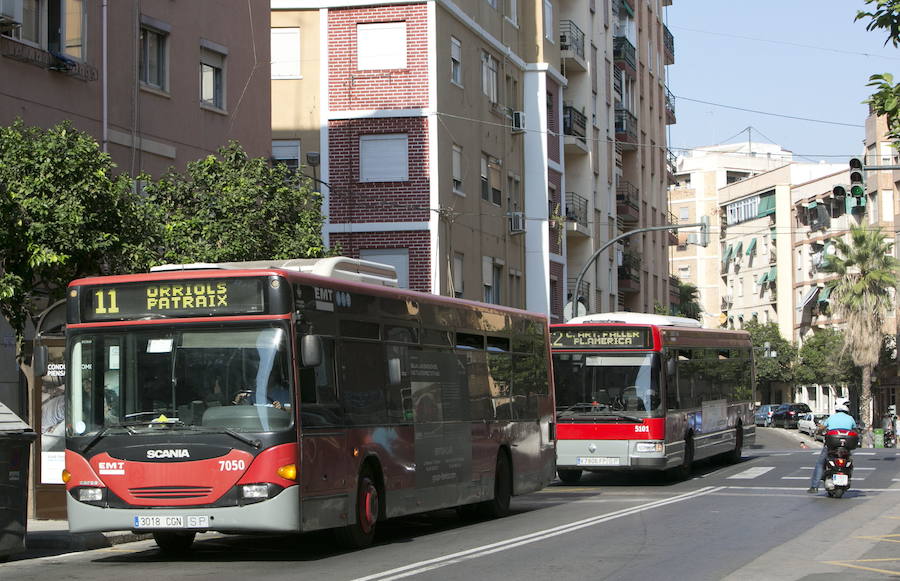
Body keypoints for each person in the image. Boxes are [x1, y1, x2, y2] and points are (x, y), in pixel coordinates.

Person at [807, 403, 857, 493]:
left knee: (820, 463)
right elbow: (855, 429)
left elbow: (822, 427)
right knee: (850, 462)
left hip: (831, 446)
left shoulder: (831, 418)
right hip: (846, 448)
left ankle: (814, 486)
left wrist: (818, 431)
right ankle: (848, 477)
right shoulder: (850, 418)